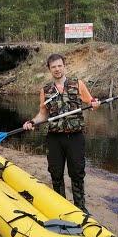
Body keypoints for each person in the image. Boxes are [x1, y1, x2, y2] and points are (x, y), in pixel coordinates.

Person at [23, 53, 100, 211]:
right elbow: (43, 114)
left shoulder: (77, 84)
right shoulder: (46, 90)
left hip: (75, 137)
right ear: (49, 69)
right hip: (55, 138)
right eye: (53, 67)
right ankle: (61, 208)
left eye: (59, 66)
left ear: (64, 66)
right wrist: (32, 122)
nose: (57, 69)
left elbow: (91, 102)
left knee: (77, 173)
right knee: (56, 173)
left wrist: (94, 104)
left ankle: (80, 209)